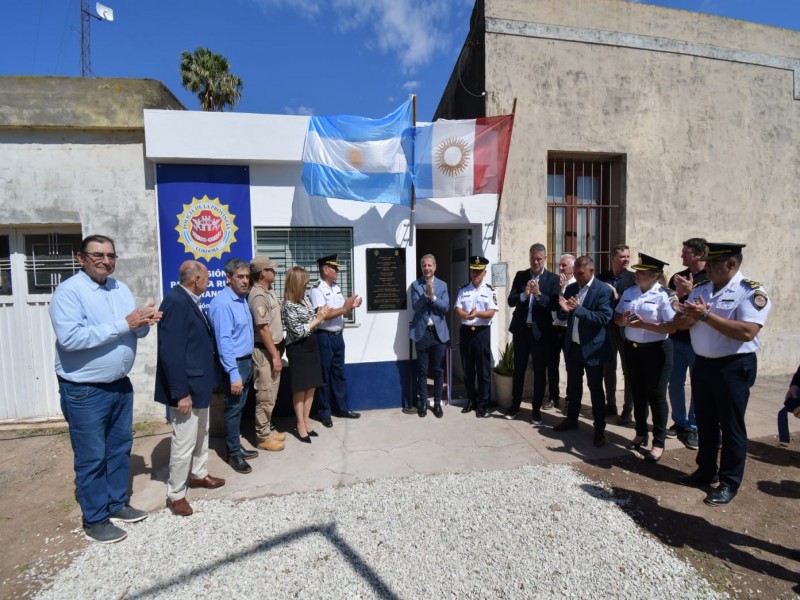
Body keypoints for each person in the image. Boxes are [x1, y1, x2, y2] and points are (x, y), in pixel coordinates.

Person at [49, 234, 160, 543]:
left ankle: (116, 503)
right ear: (81, 257)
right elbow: (71, 339)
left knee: (119, 449)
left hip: (119, 386)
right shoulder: (69, 292)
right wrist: (126, 324)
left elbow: (129, 332)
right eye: (98, 254)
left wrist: (144, 322)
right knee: (92, 456)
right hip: (84, 390)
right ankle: (95, 518)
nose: (106, 260)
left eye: (111, 255)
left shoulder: (119, 289)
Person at [674, 242, 771, 506]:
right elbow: (680, 324)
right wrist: (691, 317)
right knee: (705, 421)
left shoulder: (750, 292)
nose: (709, 269)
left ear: (731, 264)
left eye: (715, 265)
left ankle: (729, 482)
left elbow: (747, 331)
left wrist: (705, 317)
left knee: (731, 427)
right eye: (709, 264)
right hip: (704, 363)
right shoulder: (703, 289)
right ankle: (706, 470)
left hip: (734, 366)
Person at [155, 261, 225, 517]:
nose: (208, 283)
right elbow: (171, 353)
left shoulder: (189, 300)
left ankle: (198, 474)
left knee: (201, 433)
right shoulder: (175, 302)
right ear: (196, 279)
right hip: (187, 389)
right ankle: (176, 494)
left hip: (200, 384)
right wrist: (180, 392)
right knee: (183, 441)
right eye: (205, 279)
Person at [613, 254, 677, 463]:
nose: (637, 275)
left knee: (656, 396)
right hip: (632, 349)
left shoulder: (665, 295)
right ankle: (640, 432)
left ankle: (658, 442)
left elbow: (671, 326)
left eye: (642, 272)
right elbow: (618, 317)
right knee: (637, 392)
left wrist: (644, 325)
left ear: (655, 275)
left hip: (657, 350)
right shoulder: (630, 292)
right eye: (638, 271)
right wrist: (623, 320)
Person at [553, 255, 613, 447]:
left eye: (581, 274)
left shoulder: (602, 290)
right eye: (576, 274)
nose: (577, 277)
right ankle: (572, 419)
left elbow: (604, 318)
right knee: (574, 386)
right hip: (574, 346)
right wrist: (563, 309)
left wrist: (577, 310)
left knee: (595, 389)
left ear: (591, 271)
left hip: (593, 349)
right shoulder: (571, 288)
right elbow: (565, 314)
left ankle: (599, 429)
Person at [208, 257, 259, 474]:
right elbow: (224, 342)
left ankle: (236, 446)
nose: (245, 281)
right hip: (235, 364)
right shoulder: (222, 303)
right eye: (240, 277)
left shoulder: (241, 299)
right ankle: (233, 454)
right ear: (228, 278)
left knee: (238, 409)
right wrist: (233, 373)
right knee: (232, 409)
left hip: (246, 361)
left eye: (247, 277)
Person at [505, 243, 560, 425]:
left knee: (539, 372)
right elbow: (511, 300)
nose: (535, 262)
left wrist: (538, 295)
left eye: (539, 259)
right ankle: (515, 406)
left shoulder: (552, 279)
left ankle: (536, 410)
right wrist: (524, 294)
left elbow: (554, 304)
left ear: (545, 259)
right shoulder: (521, 276)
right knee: (519, 370)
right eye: (532, 259)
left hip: (541, 333)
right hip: (521, 331)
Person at [310, 254, 362, 428]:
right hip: (324, 337)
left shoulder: (336, 287)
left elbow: (340, 309)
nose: (338, 271)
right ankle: (325, 413)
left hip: (338, 336)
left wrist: (351, 305)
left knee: (339, 374)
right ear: (325, 269)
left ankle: (342, 408)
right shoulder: (316, 289)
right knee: (324, 376)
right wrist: (344, 308)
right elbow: (322, 315)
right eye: (334, 268)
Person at [666, 238, 707, 450]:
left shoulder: (711, 278)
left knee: (698, 385)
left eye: (687, 252)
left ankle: (694, 426)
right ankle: (679, 422)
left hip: (698, 342)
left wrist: (690, 294)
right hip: (676, 339)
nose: (682, 256)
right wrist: (680, 298)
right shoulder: (677, 277)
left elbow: (709, 309)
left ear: (700, 254)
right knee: (675, 383)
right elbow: (670, 305)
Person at [282, 266, 329, 442]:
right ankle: (300, 423)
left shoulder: (304, 300)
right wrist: (318, 319)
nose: (307, 284)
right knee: (300, 388)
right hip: (299, 349)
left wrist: (320, 313)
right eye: (305, 281)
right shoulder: (288, 305)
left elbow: (310, 321)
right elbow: (297, 330)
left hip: (312, 348)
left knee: (311, 386)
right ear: (297, 283)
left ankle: (306, 420)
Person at [248, 256, 286, 452]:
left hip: (273, 351)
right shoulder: (258, 296)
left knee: (271, 394)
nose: (275, 272)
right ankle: (262, 437)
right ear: (263, 272)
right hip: (264, 353)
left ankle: (266, 429)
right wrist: (274, 355)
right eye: (272, 269)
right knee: (264, 394)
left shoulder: (268, 291)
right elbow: (262, 329)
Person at [454, 256, 499, 418]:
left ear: (484, 272)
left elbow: (491, 312)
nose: (476, 274)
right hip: (466, 332)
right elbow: (457, 308)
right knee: (467, 369)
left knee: (483, 370)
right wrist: (465, 315)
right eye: (474, 271)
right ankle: (471, 400)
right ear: (470, 271)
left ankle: (483, 403)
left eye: (479, 271)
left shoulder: (489, 290)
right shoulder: (463, 290)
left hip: (481, 333)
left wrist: (478, 313)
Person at [598, 244, 636, 424]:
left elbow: (636, 304)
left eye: (628, 256)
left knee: (629, 372)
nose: (626, 259)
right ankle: (610, 404)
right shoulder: (601, 277)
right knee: (608, 369)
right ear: (612, 258)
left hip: (626, 331)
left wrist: (617, 296)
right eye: (622, 257)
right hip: (607, 330)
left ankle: (628, 410)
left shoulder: (634, 279)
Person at [409, 254, 450, 418]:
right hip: (422, 333)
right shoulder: (415, 285)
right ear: (421, 268)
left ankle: (438, 403)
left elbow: (445, 307)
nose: (427, 268)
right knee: (423, 371)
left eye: (429, 265)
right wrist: (425, 295)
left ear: (435, 267)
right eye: (424, 265)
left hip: (438, 334)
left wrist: (433, 297)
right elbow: (415, 306)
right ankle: (424, 402)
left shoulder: (443, 285)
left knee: (438, 371)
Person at [547, 253, 575, 411]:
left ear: (572, 267)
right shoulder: (554, 282)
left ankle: (570, 399)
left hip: (568, 331)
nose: (561, 268)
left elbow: (569, 308)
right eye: (560, 265)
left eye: (564, 265)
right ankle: (553, 397)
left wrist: (563, 289)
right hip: (553, 328)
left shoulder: (576, 284)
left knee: (570, 367)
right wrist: (559, 287)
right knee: (552, 365)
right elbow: (551, 303)